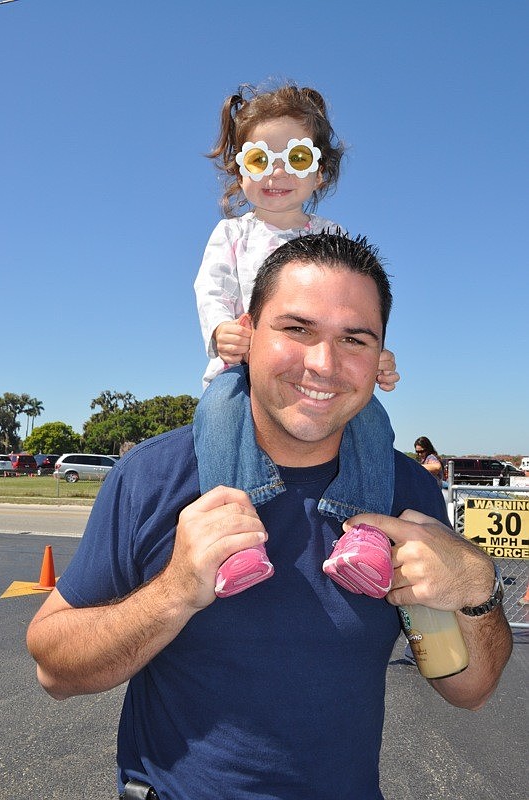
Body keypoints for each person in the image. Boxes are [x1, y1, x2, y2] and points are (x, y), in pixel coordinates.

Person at [26, 233, 512, 800]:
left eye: (353, 339)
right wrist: (176, 590)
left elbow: (471, 689)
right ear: (248, 333)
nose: (323, 364)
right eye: (297, 329)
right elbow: (54, 669)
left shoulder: (405, 494)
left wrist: (479, 588)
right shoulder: (154, 476)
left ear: (381, 358)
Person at [194, 81, 398, 595]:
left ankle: (366, 531)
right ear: (242, 172)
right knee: (218, 409)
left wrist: (373, 352)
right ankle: (234, 539)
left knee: (372, 418)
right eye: (262, 159)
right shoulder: (231, 235)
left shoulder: (334, 237)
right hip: (245, 370)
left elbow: (356, 307)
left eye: (297, 157)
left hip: (320, 369)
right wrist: (220, 330)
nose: (278, 172)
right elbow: (210, 288)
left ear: (319, 173)